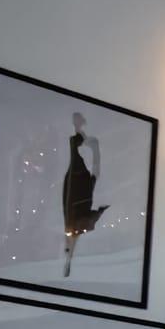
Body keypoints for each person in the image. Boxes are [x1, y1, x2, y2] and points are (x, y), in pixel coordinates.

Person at [61, 110, 106, 277]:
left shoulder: (78, 164)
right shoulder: (79, 164)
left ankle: (68, 260)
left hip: (79, 193)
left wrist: (99, 213)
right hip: (80, 192)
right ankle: (68, 260)